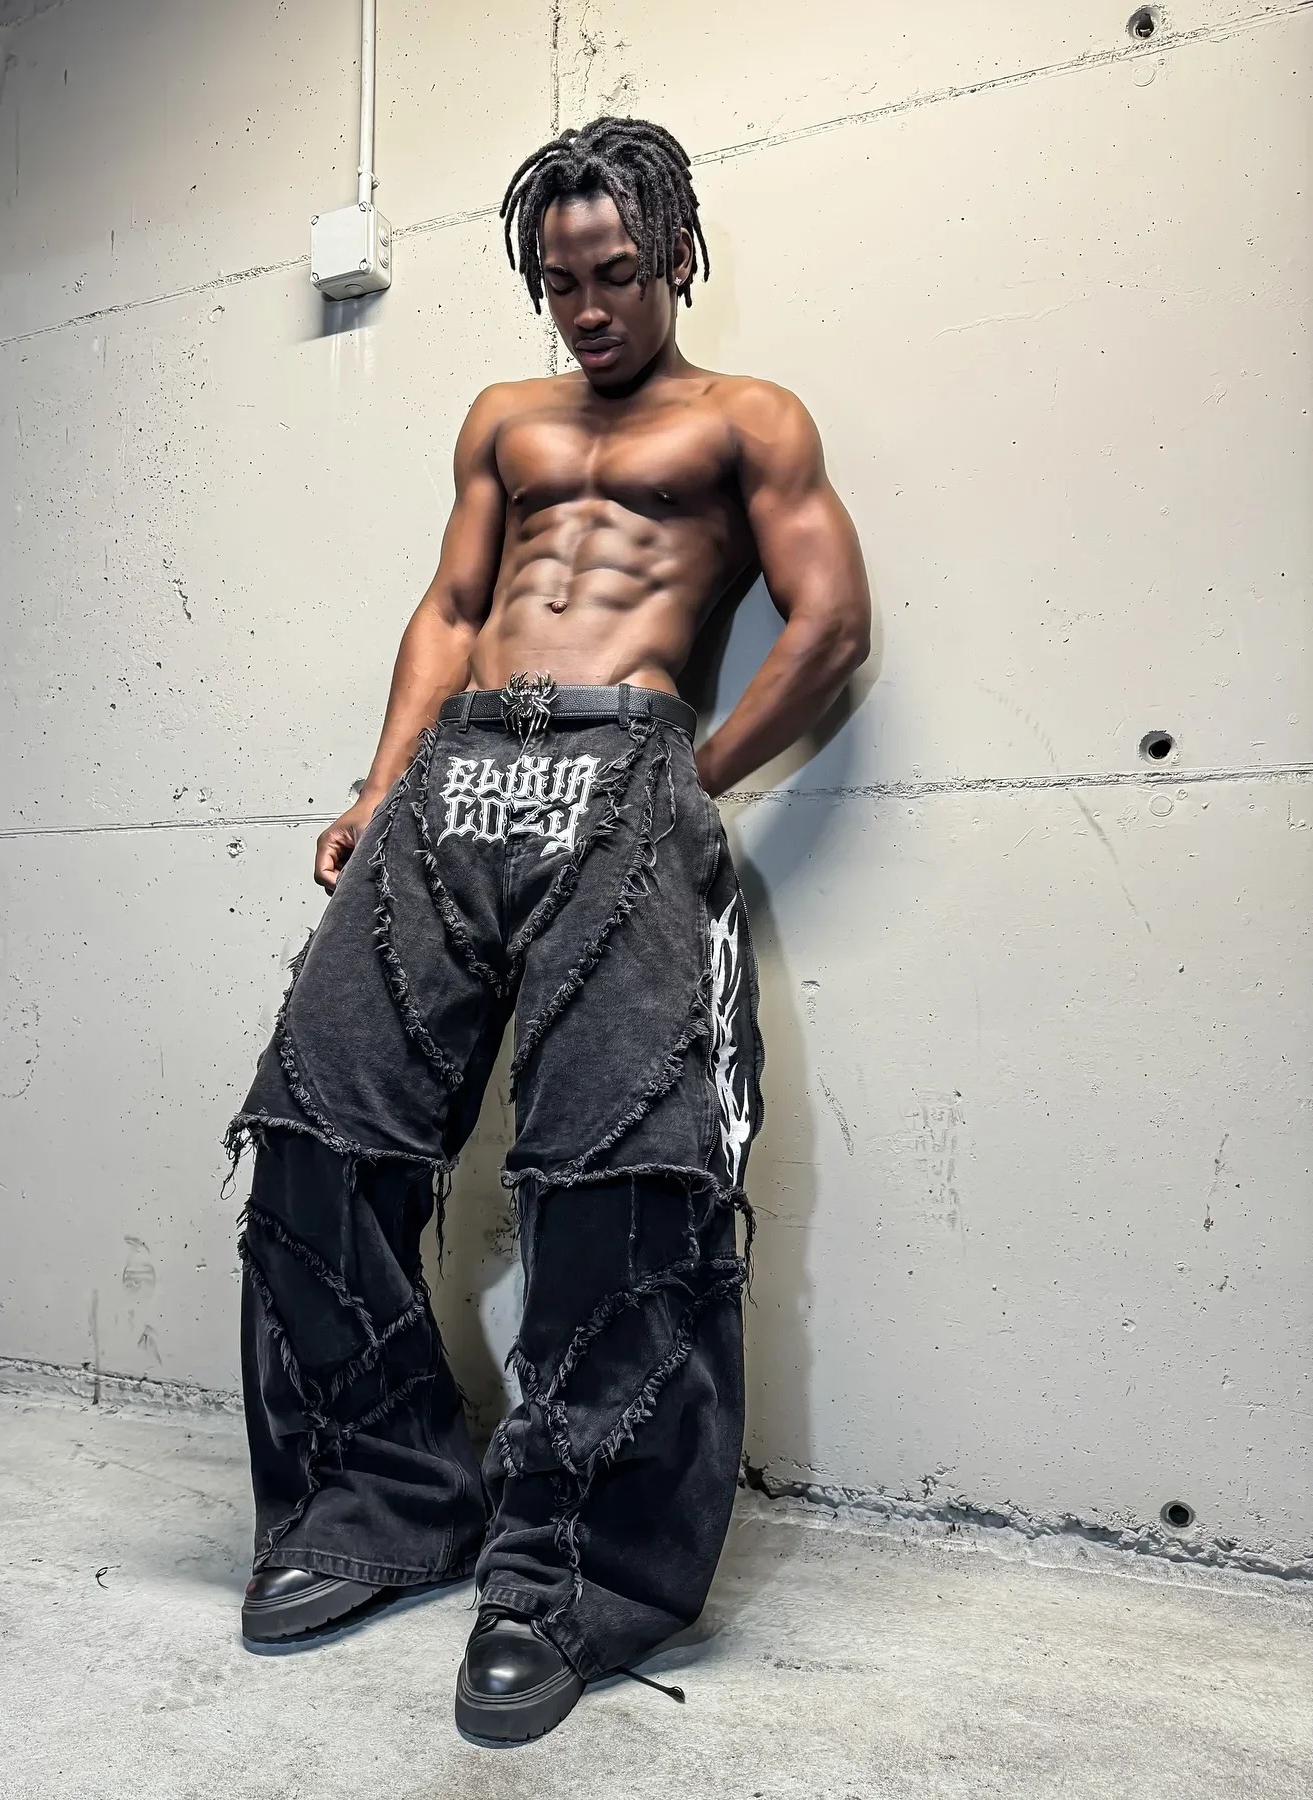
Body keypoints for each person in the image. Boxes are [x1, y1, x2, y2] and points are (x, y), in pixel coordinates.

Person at [227, 115, 870, 1745]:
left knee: (617, 1175)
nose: (587, 308)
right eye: (558, 282)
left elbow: (830, 626)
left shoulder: (751, 416)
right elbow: (453, 610)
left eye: (615, 274)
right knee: (318, 1126)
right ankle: (379, 1506)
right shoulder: (503, 420)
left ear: (675, 258)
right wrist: (379, 786)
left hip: (626, 765)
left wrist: (684, 786)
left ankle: (567, 1579)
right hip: (458, 774)